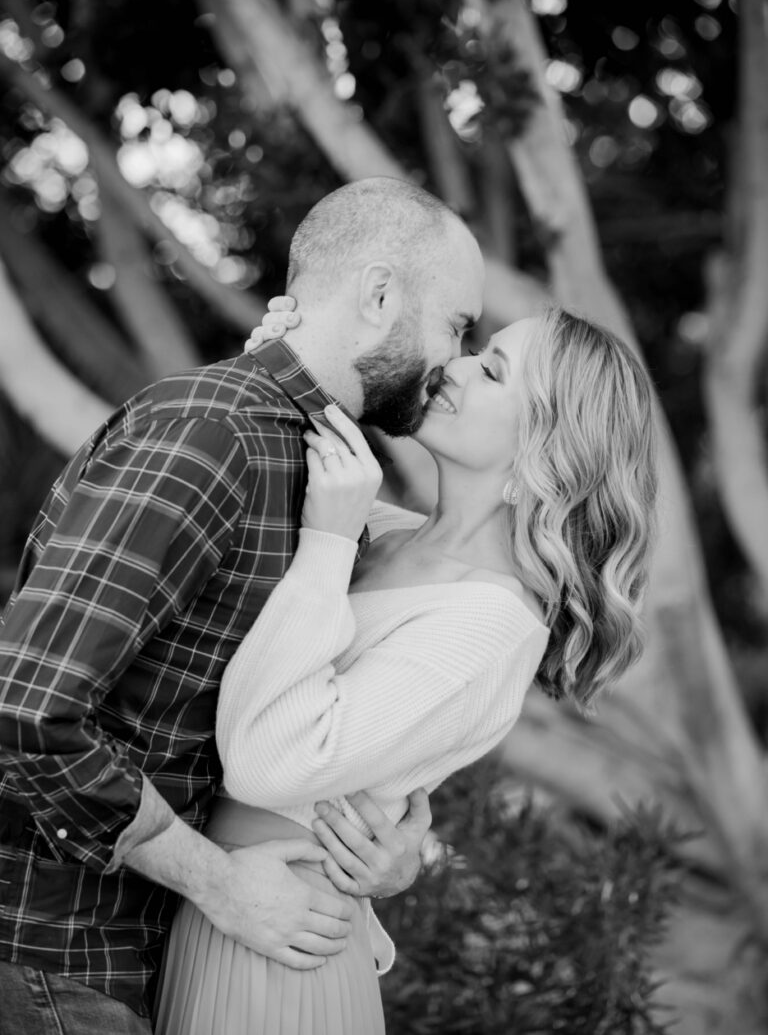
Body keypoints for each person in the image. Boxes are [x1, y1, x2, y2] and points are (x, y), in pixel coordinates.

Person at [0, 177, 485, 1034]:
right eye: (457, 324)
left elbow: (316, 705)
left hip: (141, 956)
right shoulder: (212, 430)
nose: (457, 358)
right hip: (51, 959)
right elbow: (29, 708)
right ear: (379, 295)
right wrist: (220, 882)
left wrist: (392, 842)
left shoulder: (324, 473)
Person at [153, 303, 658, 1035]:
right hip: (232, 905)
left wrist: (327, 541)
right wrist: (290, 356)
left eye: (492, 371)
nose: (452, 367)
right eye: (473, 350)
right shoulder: (384, 532)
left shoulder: (492, 623)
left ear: (545, 451)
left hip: (278, 948)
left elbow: (273, 765)